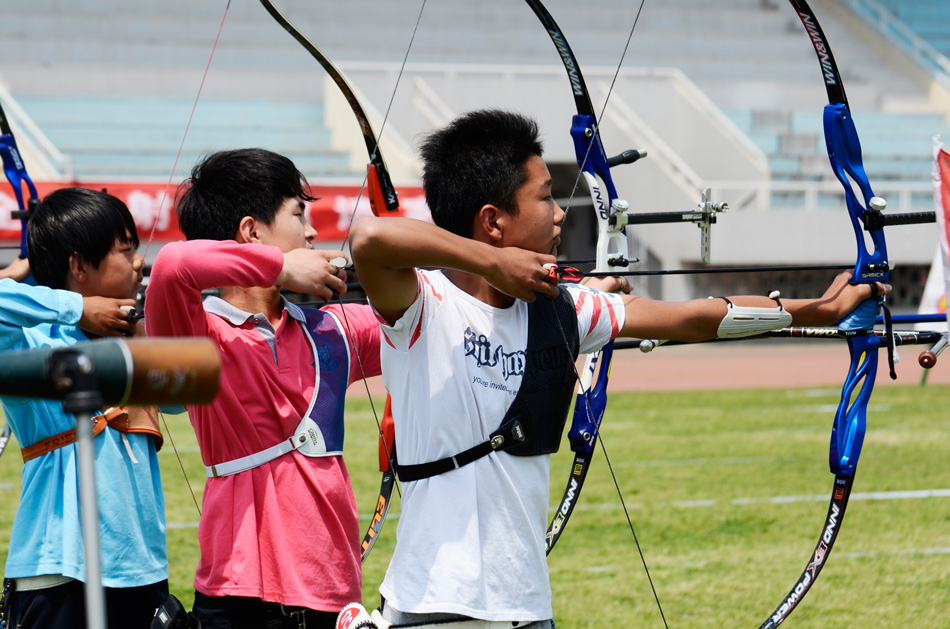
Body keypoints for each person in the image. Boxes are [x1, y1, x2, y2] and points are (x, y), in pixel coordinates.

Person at [348, 109, 888, 628]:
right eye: (545, 197)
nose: (560, 213)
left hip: (526, 607)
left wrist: (820, 310)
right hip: (432, 605)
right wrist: (494, 263)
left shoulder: (562, 308)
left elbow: (693, 317)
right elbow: (369, 240)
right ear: (493, 221)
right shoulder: (422, 306)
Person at [145, 148, 383, 629]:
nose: (312, 233)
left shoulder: (334, 327)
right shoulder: (201, 334)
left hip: (331, 591)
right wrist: (279, 268)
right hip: (238, 592)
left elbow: (427, 312)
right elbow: (172, 264)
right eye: (299, 215)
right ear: (252, 232)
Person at [0, 187, 167, 629]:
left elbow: (179, 401)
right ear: (79, 265)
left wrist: (137, 333)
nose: (139, 262)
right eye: (126, 250)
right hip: (59, 569)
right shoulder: (31, 345)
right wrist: (75, 308)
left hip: (141, 570)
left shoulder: (134, 345)